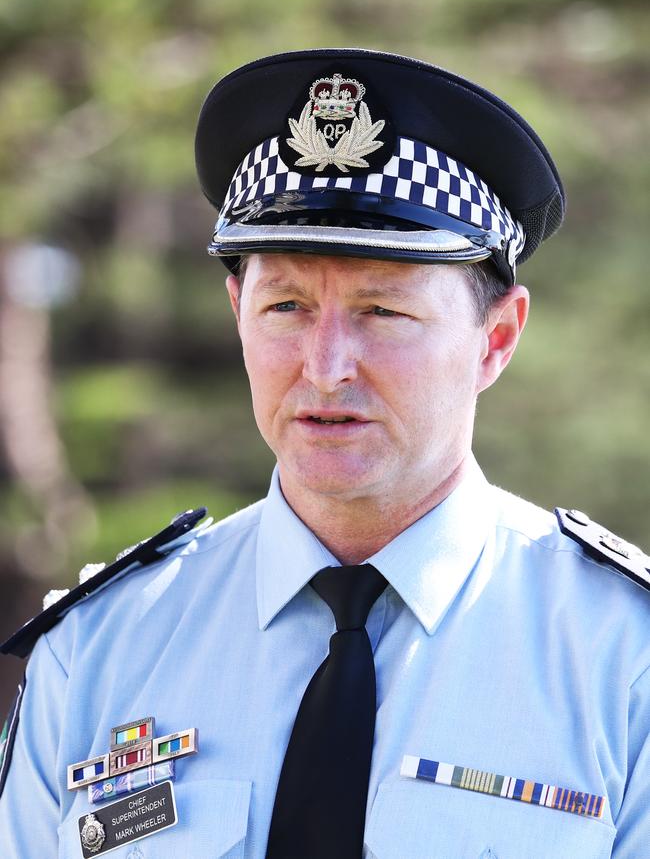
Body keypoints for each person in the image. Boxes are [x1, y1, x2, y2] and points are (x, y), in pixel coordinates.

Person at [0, 48, 648, 859]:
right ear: (238, 312)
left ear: (498, 338)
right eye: (287, 305)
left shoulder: (624, 660)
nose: (325, 364)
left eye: (382, 309)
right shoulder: (104, 648)